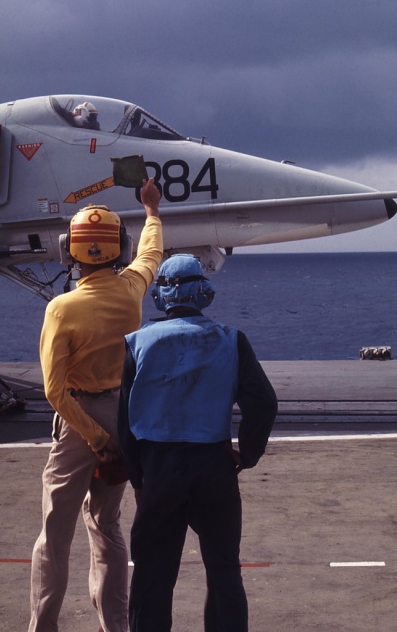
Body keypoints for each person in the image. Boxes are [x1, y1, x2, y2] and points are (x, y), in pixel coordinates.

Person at [118, 254, 278, 632]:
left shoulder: (137, 343)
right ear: (204, 293)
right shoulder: (231, 339)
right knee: (223, 571)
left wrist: (139, 479)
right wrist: (247, 454)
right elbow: (264, 403)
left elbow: (125, 423)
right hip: (214, 467)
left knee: (152, 576)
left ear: (161, 295)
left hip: (159, 469)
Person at [29, 178, 163, 632]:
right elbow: (152, 255)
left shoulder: (61, 309)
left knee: (55, 536)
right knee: (107, 528)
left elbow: (54, 391)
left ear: (70, 250)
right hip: (124, 417)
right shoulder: (131, 293)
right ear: (118, 248)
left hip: (79, 422)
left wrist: (93, 438)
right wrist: (151, 211)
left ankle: (43, 625)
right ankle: (116, 626)